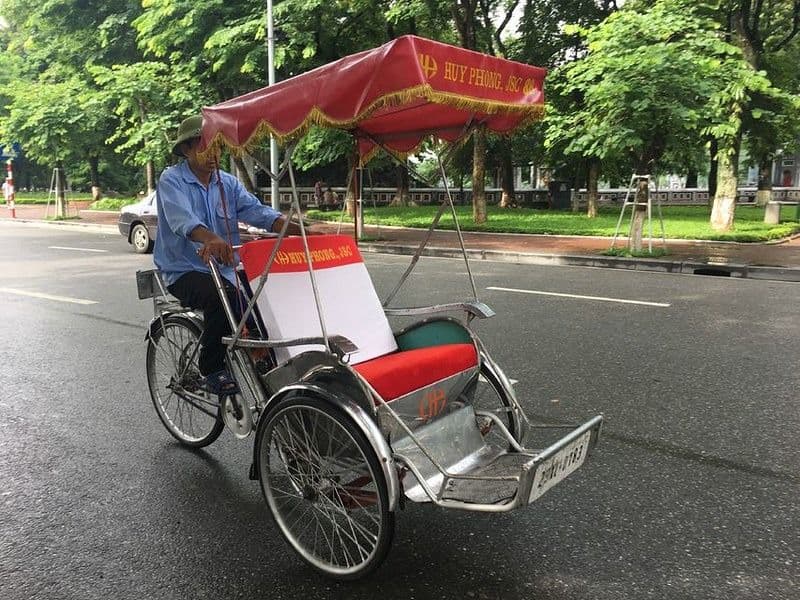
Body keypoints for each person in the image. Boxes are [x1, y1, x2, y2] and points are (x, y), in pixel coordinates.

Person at [154, 115, 307, 396]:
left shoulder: (228, 183)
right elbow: (181, 220)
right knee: (220, 300)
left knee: (265, 304)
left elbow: (257, 212)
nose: (214, 155)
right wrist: (210, 237)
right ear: (187, 149)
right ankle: (211, 367)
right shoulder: (172, 180)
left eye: (218, 148)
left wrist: (295, 229)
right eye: (204, 148)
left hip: (226, 268)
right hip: (184, 270)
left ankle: (270, 366)